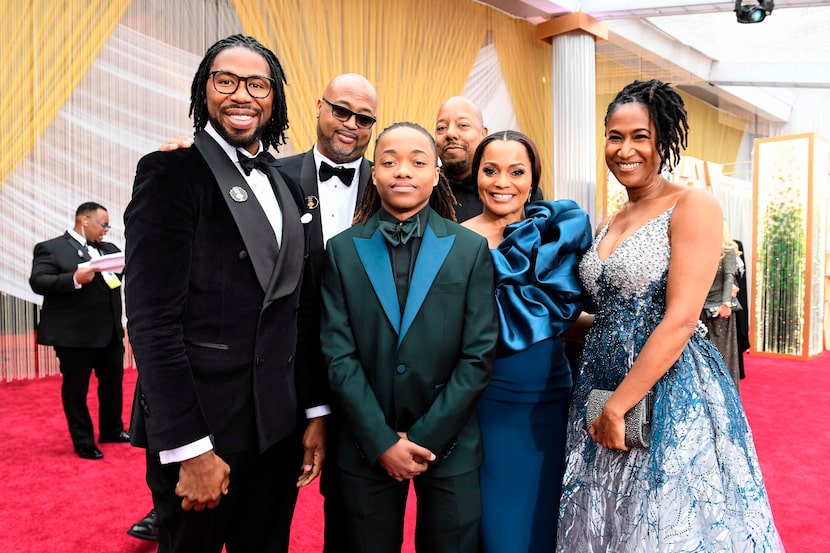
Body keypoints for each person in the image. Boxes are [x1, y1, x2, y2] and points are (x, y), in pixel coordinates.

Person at [557, 79, 783, 551]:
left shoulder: (692, 204)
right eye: (615, 137)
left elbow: (681, 319)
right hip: (600, 384)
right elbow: (610, 318)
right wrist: (543, 319)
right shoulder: (611, 218)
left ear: (663, 139)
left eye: (640, 136)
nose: (625, 149)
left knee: (663, 523)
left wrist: (618, 405)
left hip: (668, 391)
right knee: (610, 518)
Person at [124, 34, 326, 553]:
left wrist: (311, 415)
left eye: (257, 84)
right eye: (226, 81)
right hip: (204, 431)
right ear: (204, 90)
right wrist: (190, 449)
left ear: (274, 97)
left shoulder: (284, 184)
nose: (242, 95)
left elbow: (295, 314)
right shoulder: (171, 172)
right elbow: (151, 324)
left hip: (275, 432)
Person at [320, 122, 499, 552]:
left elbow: (478, 355)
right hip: (366, 441)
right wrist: (382, 441)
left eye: (418, 162)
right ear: (374, 173)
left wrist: (423, 438)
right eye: (389, 161)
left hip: (449, 440)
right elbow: (337, 355)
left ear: (436, 173)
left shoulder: (469, 248)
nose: (403, 171)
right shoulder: (342, 250)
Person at [461, 131, 592, 552]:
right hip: (485, 405)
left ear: (533, 177)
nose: (503, 182)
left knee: (548, 525)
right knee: (497, 533)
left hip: (551, 401)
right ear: (476, 175)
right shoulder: (453, 239)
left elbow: (568, 318)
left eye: (517, 171)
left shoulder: (557, 234)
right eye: (491, 170)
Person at [29, 202, 129, 460]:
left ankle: (112, 429)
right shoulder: (51, 249)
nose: (106, 230)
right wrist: (73, 278)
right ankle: (83, 440)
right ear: (85, 221)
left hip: (109, 332)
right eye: (103, 224)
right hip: (74, 336)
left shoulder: (109, 250)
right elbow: (38, 282)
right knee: (76, 389)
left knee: (112, 383)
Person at [435, 96, 541, 222]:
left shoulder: (521, 192)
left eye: (463, 125)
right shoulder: (427, 190)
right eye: (441, 128)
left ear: (483, 134)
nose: (450, 133)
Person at [700, 223, 743, 391]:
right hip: (699, 310)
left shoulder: (728, 249)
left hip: (719, 311)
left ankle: (726, 396)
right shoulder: (700, 250)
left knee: (722, 355)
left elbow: (729, 278)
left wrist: (726, 304)